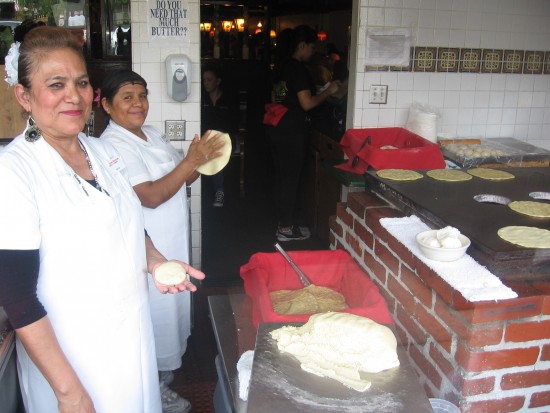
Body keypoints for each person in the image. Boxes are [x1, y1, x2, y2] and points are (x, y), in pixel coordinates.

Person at [0, 25, 205, 413]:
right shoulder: (14, 171)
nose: (72, 96)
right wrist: (68, 393)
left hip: (129, 332)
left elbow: (127, 218)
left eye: (80, 83)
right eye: (55, 85)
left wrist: (154, 259)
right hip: (73, 354)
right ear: (24, 95)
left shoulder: (101, 153)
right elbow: (17, 296)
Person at [100, 69, 224, 413]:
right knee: (153, 316)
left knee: (172, 313)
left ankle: (162, 377)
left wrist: (207, 159)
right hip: (146, 250)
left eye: (142, 95)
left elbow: (180, 178)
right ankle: (151, 388)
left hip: (172, 241)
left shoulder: (150, 134)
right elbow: (150, 196)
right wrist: (189, 162)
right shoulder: (112, 145)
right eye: (127, 97)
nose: (138, 103)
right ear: (107, 106)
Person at [267, 25, 340, 241]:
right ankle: (286, 229)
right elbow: (306, 104)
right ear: (302, 46)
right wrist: (329, 91)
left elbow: (276, 97)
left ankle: (283, 222)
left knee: (282, 178)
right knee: (290, 180)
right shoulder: (297, 69)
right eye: (311, 47)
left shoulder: (282, 66)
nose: (312, 51)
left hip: (277, 129)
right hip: (291, 132)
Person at [201, 62, 239, 207]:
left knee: (216, 150)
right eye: (204, 80)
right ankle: (215, 190)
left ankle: (219, 191)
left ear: (218, 81)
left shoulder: (228, 100)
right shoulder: (201, 100)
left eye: (209, 80)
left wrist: (219, 134)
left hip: (226, 138)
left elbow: (234, 124)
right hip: (207, 139)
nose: (206, 83)